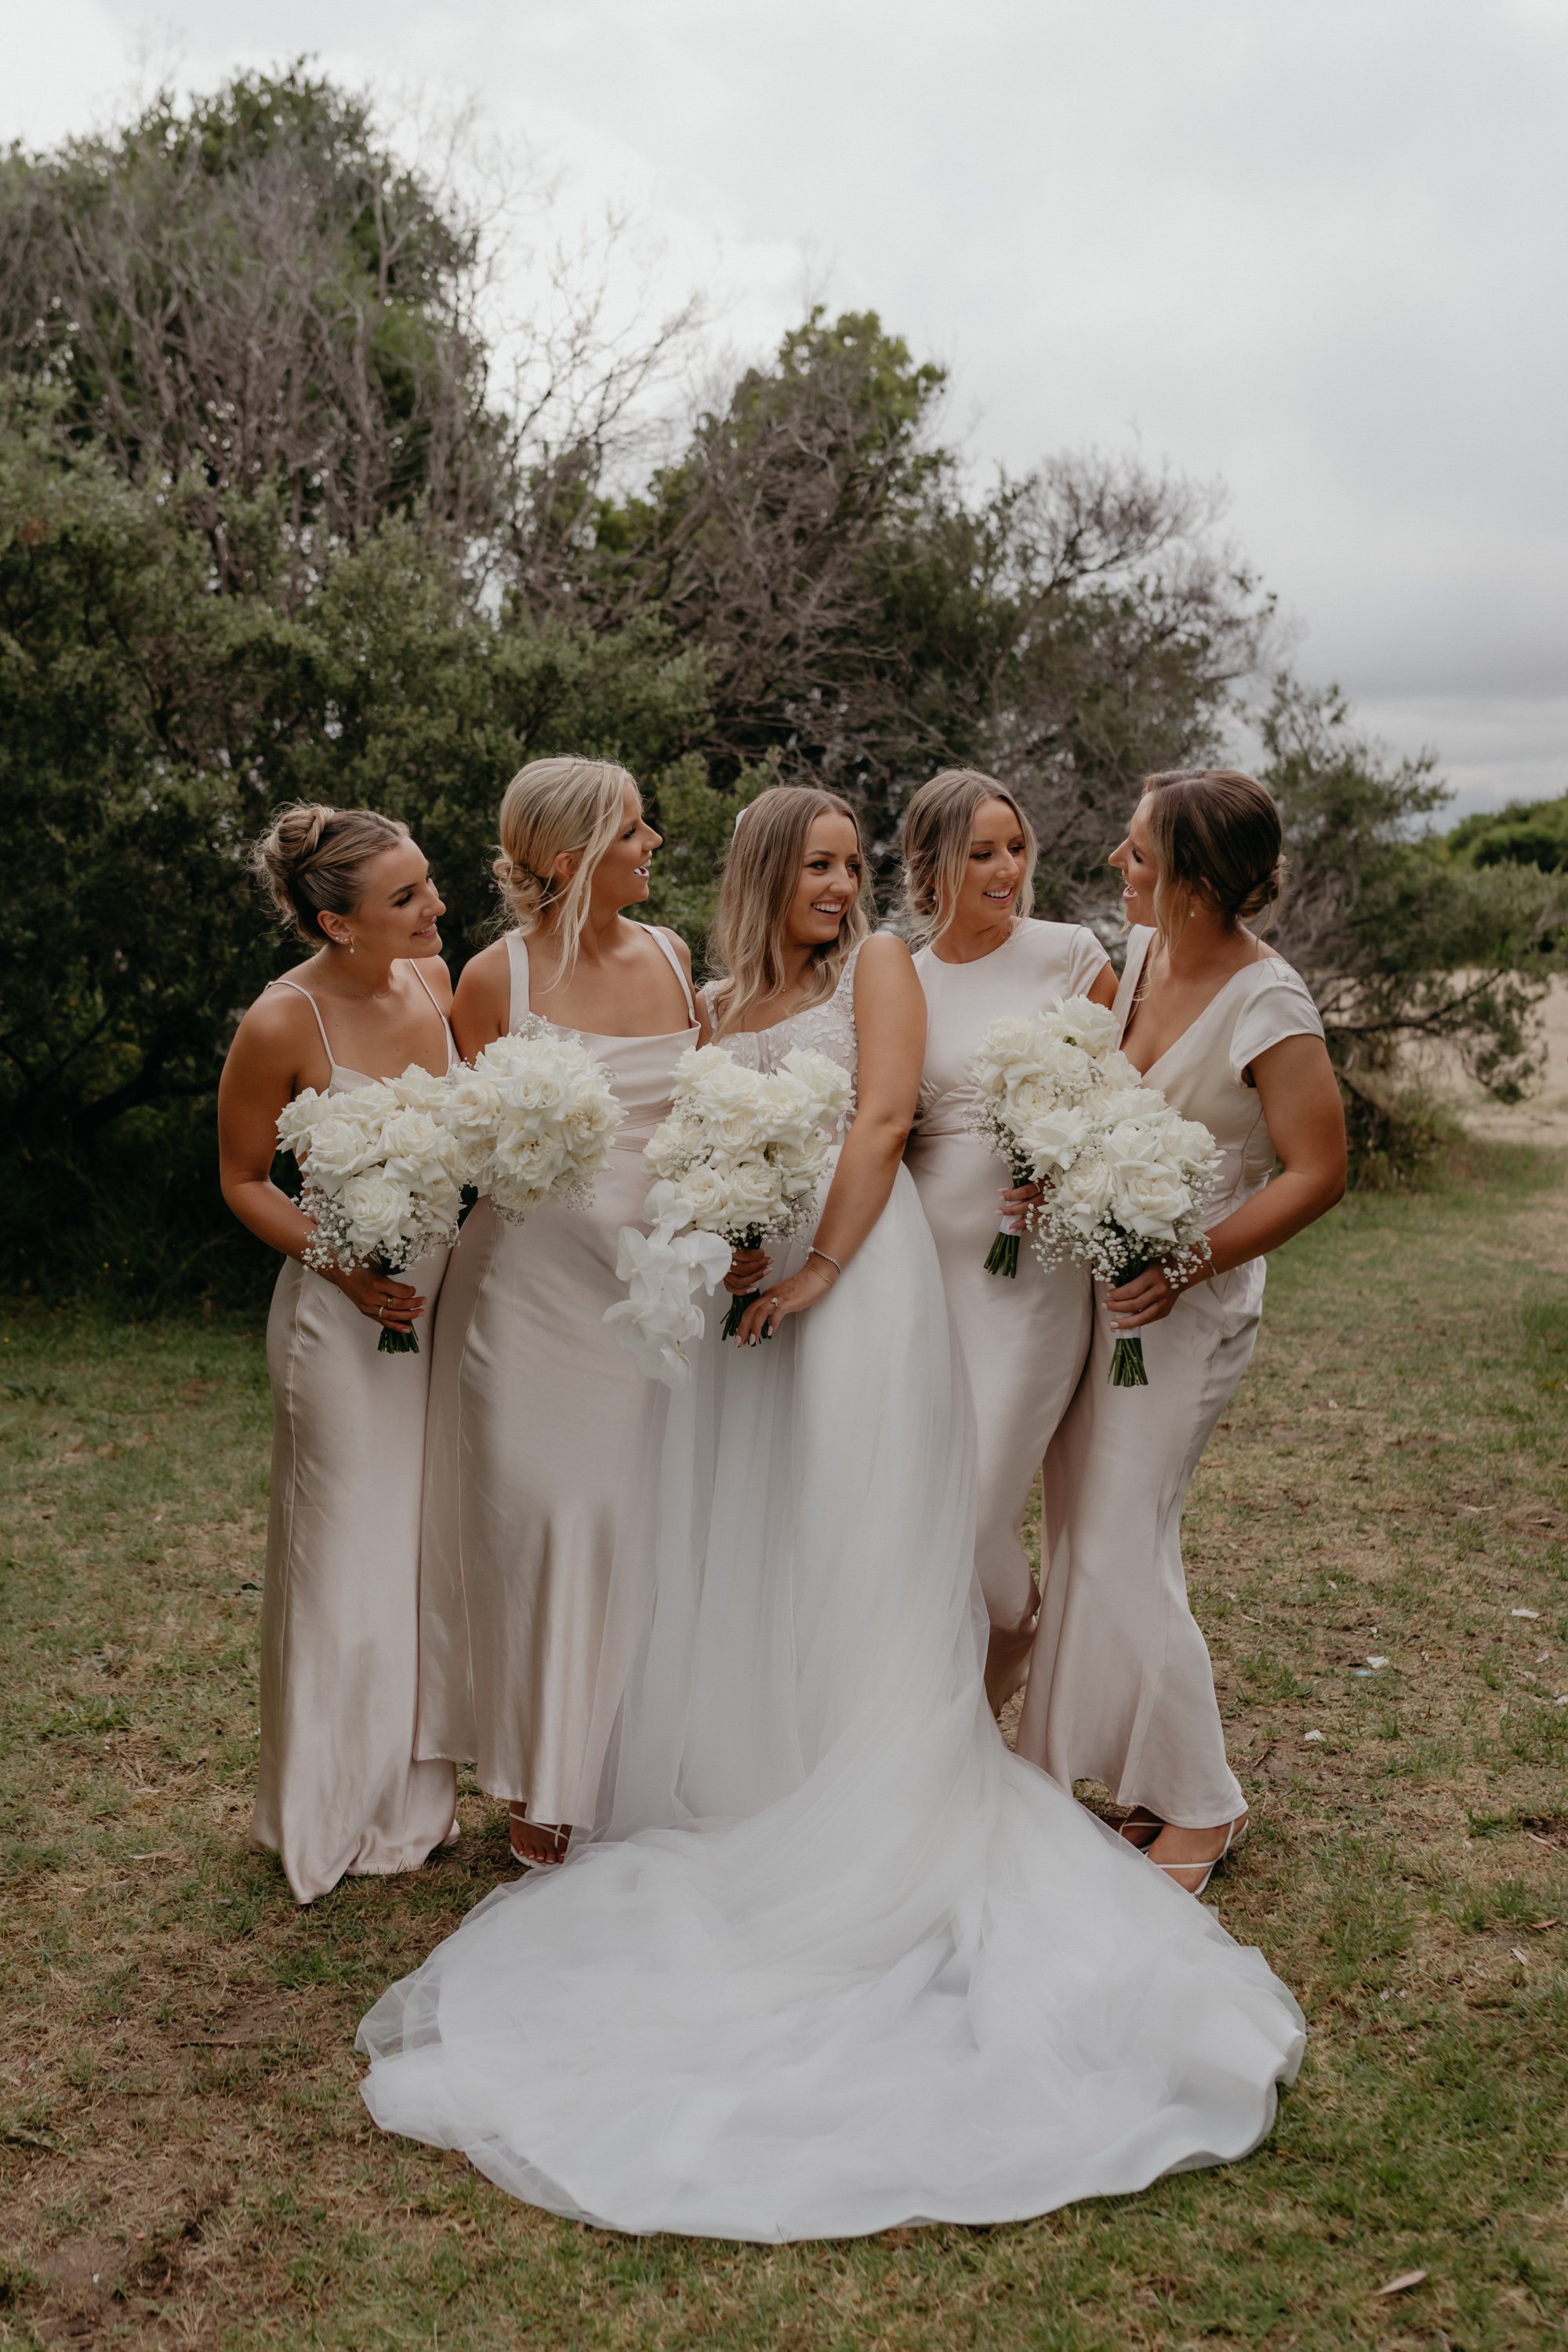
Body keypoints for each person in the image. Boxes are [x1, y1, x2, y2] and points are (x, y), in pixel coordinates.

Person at [355, 785, 1305, 2243]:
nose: (841, 887)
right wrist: (737, 1244)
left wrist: (814, 1268)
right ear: (763, 872)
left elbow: (880, 1120)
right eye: (817, 865)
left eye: (854, 866)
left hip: (863, 1291)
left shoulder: (880, 970)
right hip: (758, 1308)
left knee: (880, 1538)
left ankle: (895, 1780)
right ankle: (776, 1771)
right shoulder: (718, 999)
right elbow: (689, 1144)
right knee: (774, 1547)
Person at [1017, 769, 1346, 1893]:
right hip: (1102, 1291)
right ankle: (1142, 1782)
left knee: (1119, 1534)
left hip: (1190, 1305)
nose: (1117, 864)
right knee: (1091, 1533)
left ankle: (1205, 1806)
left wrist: (1188, 1259)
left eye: (1138, 852)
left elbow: (1318, 1171)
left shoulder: (1269, 1005)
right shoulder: (1145, 953)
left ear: (1196, 879)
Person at [414, 757, 701, 1868]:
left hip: (652, 1293)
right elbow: (461, 1140)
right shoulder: (496, 979)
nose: (654, 843)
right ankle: (542, 1774)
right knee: (547, 1520)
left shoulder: (675, 956)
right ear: (574, 860)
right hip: (529, 1296)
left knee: (637, 1522)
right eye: (635, 830)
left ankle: (626, 1763)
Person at [217, 803, 458, 1904]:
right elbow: (243, 1180)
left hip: (442, 1306)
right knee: (343, 1554)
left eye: (427, 882)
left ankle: (409, 1803)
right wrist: (346, 1268)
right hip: (339, 1318)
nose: (434, 906)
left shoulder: (436, 982)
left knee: (416, 1549)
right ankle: (322, 1807)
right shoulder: (283, 1020)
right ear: (335, 921)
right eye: (405, 896)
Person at [902, 768, 1117, 1708]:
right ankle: (957, 1705)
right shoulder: (901, 979)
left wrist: (1068, 1165)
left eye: (1016, 848)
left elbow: (1131, 1094)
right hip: (922, 1265)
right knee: (923, 1494)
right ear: (930, 865)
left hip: (1034, 1268)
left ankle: (1011, 1638)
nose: (1006, 869)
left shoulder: (1069, 955)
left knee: (975, 1499)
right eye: (981, 852)